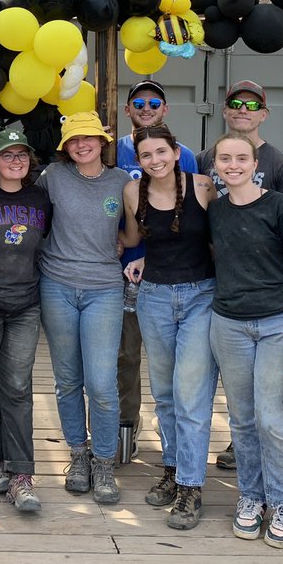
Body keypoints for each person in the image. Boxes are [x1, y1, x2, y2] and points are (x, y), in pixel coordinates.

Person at [206, 132, 283, 549]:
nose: (232, 165)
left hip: (277, 324)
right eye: (224, 159)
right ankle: (251, 496)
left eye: (241, 159)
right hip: (229, 325)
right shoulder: (215, 211)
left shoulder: (281, 207)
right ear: (215, 166)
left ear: (255, 165)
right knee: (243, 419)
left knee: (273, 419)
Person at [198, 80, 283, 471]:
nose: (244, 109)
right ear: (225, 110)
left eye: (253, 105)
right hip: (223, 297)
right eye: (236, 103)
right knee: (240, 403)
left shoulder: (282, 165)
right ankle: (247, 479)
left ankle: (280, 494)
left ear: (264, 114)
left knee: (272, 411)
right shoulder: (202, 159)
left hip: (272, 303)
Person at [120, 124, 217, 530]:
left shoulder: (203, 186)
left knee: (191, 395)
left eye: (161, 152)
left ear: (176, 152)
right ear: (138, 160)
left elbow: (221, 239)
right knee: (164, 394)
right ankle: (174, 470)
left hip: (201, 296)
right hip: (154, 296)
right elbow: (132, 238)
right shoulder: (132, 192)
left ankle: (191, 487)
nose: (155, 160)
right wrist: (132, 257)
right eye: (146, 155)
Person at [36, 111, 132, 505]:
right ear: (66, 146)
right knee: (67, 379)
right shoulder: (52, 177)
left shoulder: (121, 181)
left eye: (88, 138)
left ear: (102, 141)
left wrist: (121, 243)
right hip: (56, 284)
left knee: (102, 383)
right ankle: (78, 454)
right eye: (74, 140)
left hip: (104, 288)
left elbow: (133, 232)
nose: (82, 145)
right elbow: (33, 218)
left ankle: (104, 461)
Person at [0, 126, 52, 512]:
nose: (15, 161)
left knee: (17, 386)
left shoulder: (41, 198)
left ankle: (21, 473)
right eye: (7, 155)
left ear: (29, 160)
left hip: (24, 305)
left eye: (21, 155)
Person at [115, 81, 199, 460]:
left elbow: (195, 216)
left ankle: (177, 444)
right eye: (139, 102)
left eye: (154, 102)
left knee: (178, 365)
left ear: (165, 109)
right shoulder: (112, 151)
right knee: (125, 357)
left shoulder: (188, 158)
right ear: (128, 109)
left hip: (176, 274)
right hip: (124, 272)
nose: (146, 108)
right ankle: (126, 429)